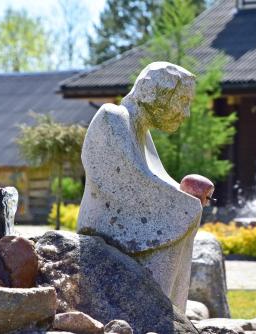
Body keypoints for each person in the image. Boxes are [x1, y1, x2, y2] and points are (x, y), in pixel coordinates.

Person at [77, 62, 213, 312]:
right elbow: (124, 182)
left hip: (129, 223)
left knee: (187, 210)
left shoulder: (142, 134)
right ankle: (158, 312)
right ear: (153, 92)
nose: (186, 113)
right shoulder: (112, 117)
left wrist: (186, 196)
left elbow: (158, 182)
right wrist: (182, 203)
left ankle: (172, 312)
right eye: (181, 100)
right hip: (108, 224)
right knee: (184, 211)